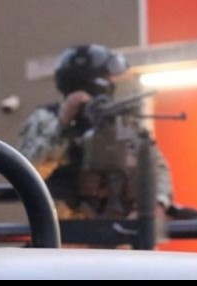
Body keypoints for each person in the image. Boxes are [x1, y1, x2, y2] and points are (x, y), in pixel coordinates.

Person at [18, 44, 173, 222]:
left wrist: (158, 203)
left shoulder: (120, 119)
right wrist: (62, 126)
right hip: (64, 228)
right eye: (107, 77)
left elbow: (155, 166)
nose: (112, 83)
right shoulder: (44, 120)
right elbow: (27, 171)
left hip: (122, 224)